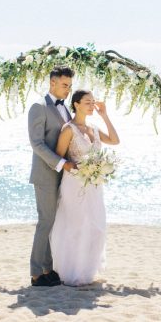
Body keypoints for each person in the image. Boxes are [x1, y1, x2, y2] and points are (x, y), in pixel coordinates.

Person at [49, 90, 120, 286]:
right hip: (73, 184)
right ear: (76, 105)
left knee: (96, 226)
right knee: (76, 226)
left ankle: (87, 272)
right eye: (87, 102)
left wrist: (104, 115)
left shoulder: (94, 129)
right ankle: (71, 273)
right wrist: (76, 168)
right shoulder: (68, 129)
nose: (91, 105)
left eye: (93, 102)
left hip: (94, 186)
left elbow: (115, 140)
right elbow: (58, 157)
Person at [27, 66, 77, 287]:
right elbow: (36, 143)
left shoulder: (65, 109)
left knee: (53, 222)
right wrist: (61, 163)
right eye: (65, 85)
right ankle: (36, 273)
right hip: (45, 174)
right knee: (45, 221)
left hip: (63, 176)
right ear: (52, 83)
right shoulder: (38, 107)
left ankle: (48, 268)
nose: (68, 89)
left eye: (70, 86)